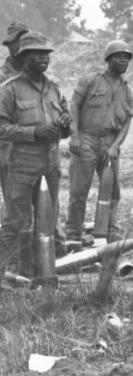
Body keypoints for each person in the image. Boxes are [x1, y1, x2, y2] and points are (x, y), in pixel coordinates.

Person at [0, 31, 71, 275]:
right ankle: (4, 274)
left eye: (46, 54)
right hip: (22, 165)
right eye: (37, 54)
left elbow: (66, 129)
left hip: (51, 164)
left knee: (47, 221)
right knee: (14, 223)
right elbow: (2, 128)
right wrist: (34, 132)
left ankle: (43, 272)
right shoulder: (10, 90)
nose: (44, 58)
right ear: (24, 57)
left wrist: (65, 125)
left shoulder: (55, 89)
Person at [66, 40, 133, 243]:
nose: (123, 61)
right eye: (119, 56)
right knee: (79, 191)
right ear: (108, 59)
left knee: (113, 191)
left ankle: (106, 231)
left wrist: (115, 146)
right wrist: (74, 135)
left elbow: (126, 123)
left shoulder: (127, 90)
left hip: (110, 143)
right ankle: (73, 235)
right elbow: (74, 106)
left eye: (127, 57)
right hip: (86, 138)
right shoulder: (90, 80)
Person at [1, 23, 29, 203]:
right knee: (13, 195)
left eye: (24, 41)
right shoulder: (3, 78)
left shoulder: (35, 75)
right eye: (16, 41)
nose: (20, 46)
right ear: (9, 45)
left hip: (32, 143)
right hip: (7, 145)